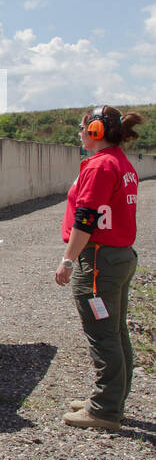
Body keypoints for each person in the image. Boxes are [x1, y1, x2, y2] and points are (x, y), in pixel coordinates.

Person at [54, 106, 144, 430]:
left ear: (94, 131)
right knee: (116, 333)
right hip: (118, 257)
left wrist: (67, 260)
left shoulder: (101, 165)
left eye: (82, 128)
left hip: (98, 262)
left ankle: (105, 409)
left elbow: (86, 219)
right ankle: (111, 398)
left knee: (103, 335)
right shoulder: (120, 162)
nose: (79, 134)